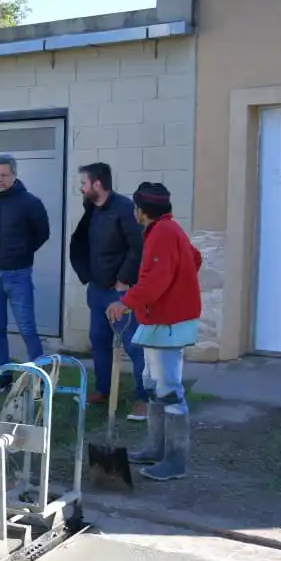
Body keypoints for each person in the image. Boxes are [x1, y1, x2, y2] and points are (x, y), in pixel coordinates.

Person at [106, 182, 202, 482]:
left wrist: (125, 302)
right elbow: (194, 259)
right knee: (152, 384)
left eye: (135, 207)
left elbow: (157, 280)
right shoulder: (167, 229)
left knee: (168, 389)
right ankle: (155, 448)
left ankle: (175, 460)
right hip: (158, 320)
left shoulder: (162, 232)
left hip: (168, 322)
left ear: (141, 210)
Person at [68, 163, 149, 421]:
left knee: (134, 345)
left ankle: (144, 399)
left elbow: (138, 245)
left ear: (97, 184)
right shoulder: (92, 208)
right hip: (97, 290)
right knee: (99, 341)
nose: (80, 188)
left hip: (120, 294)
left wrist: (124, 279)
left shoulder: (124, 209)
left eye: (83, 183)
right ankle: (103, 391)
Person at [0, 154, 51, 385]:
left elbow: (43, 233)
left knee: (27, 327)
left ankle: (40, 379)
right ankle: (3, 377)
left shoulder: (30, 203)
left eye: (4, 175)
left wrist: (21, 252)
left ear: (14, 175)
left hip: (18, 274)